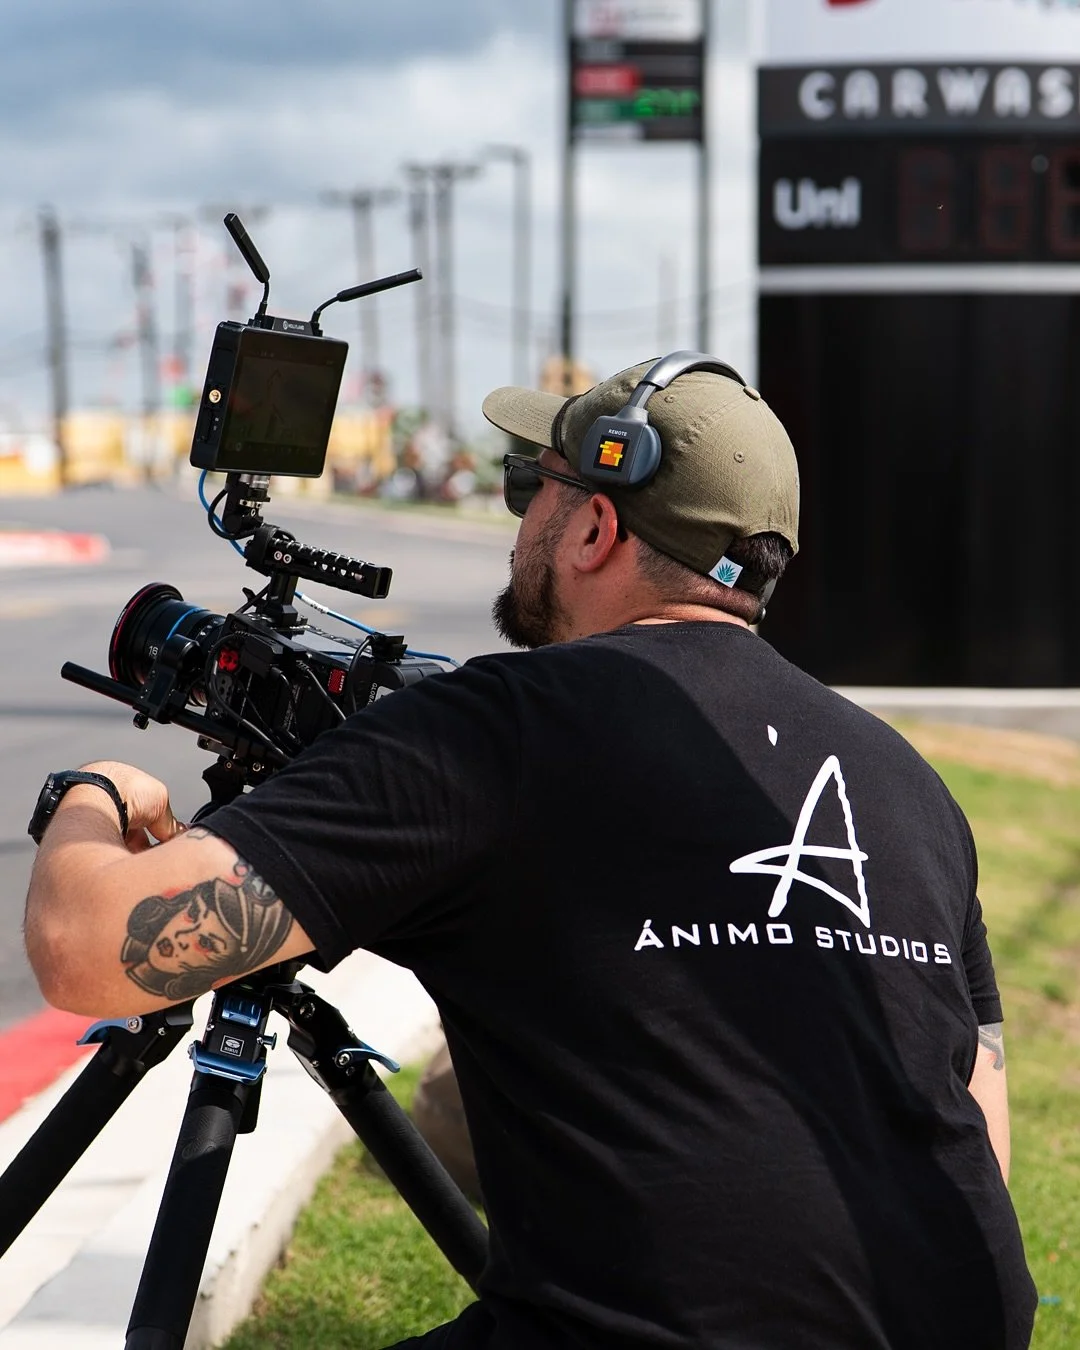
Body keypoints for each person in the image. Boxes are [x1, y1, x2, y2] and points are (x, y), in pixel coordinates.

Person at [24, 356, 1036, 1349]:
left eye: (533, 488)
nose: (522, 521)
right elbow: (973, 1129)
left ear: (595, 527)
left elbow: (85, 949)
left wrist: (95, 794)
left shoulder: (500, 729)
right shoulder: (909, 782)